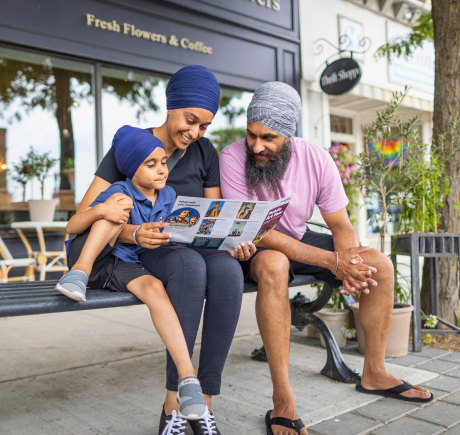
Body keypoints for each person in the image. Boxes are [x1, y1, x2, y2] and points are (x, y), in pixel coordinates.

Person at [219, 82, 433, 435]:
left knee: (377, 263)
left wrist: (349, 261)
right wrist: (333, 263)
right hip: (253, 244)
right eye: (252, 134)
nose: (257, 145)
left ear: (289, 134)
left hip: (300, 239)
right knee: (275, 264)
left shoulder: (316, 158)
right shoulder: (231, 158)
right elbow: (256, 231)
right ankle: (283, 400)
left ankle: (375, 372)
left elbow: (340, 224)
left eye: (269, 137)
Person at [76, 65, 256, 435]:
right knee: (190, 267)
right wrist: (134, 233)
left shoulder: (204, 152)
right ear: (172, 105)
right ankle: (175, 403)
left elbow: (215, 214)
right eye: (190, 120)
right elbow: (88, 213)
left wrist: (236, 239)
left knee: (226, 272)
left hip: (189, 241)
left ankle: (204, 403)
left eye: (204, 126)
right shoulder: (132, 146)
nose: (194, 133)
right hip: (145, 249)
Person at [56, 126, 208, 422]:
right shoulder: (119, 190)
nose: (161, 170)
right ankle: (79, 274)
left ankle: (188, 378)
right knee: (117, 208)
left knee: (154, 288)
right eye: (150, 165)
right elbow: (72, 227)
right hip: (88, 255)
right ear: (130, 169)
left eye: (163, 161)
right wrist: (102, 211)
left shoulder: (169, 195)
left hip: (120, 264)